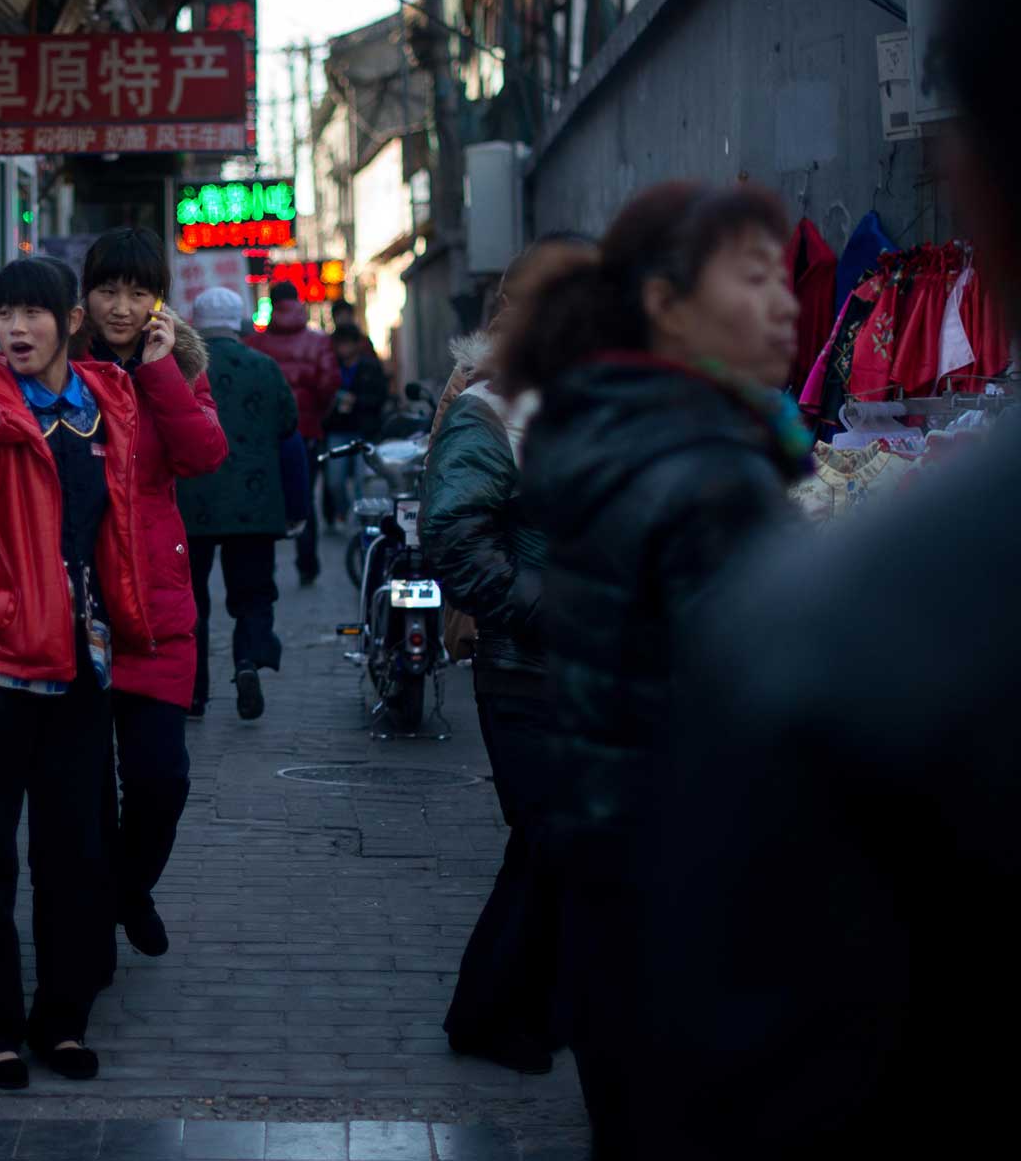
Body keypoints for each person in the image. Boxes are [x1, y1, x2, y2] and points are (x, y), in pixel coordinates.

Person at [631, 0, 1021, 1159]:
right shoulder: (749, 536)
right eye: (750, 281)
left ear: (982, 195)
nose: (785, 302)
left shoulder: (829, 631)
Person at [508, 181, 804, 1156]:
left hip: (617, 873)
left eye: (785, 274)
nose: (786, 302)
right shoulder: (711, 474)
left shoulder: (611, 433)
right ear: (665, 306)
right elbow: (758, 711)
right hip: (696, 891)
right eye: (752, 276)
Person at [0, 257, 152, 1090]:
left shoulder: (98, 409)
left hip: (82, 674)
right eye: (3, 314)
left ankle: (63, 1021)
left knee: (78, 856)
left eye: (33, 314)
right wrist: (9, 613)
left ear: (70, 321)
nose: (16, 329)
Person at [421, 234, 597, 1076]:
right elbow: (452, 535)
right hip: (527, 671)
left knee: (554, 843)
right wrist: (539, 606)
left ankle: (504, 1009)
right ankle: (498, 1012)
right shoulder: (489, 408)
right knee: (553, 835)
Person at [77, 228, 228, 959]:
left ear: (159, 298)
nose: (122, 306)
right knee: (87, 792)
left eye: (139, 291)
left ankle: (129, 888)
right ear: (86, 291)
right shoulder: (59, 365)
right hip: (77, 607)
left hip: (159, 610)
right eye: (109, 288)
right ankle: (96, 926)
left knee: (161, 778)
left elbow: (203, 455)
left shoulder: (183, 364)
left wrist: (164, 371)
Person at [177, 287, 300, 720]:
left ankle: (193, 691)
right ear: (239, 321)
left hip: (189, 504)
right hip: (255, 501)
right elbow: (289, 431)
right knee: (252, 594)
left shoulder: (179, 367)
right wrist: (297, 505)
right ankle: (248, 661)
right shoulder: (265, 368)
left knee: (190, 600)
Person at [246, 280, 337, 584]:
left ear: (271, 303)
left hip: (265, 435)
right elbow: (328, 386)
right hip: (307, 430)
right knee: (305, 496)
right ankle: (307, 563)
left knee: (267, 495)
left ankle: (264, 568)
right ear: (297, 302)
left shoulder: (255, 343)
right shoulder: (318, 341)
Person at [320, 322, 388, 520]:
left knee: (361, 479)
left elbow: (381, 396)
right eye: (340, 344)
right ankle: (343, 510)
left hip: (363, 429)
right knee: (335, 480)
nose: (343, 349)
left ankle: (362, 521)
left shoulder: (370, 366)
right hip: (337, 429)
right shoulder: (331, 366)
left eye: (347, 344)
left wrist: (357, 401)